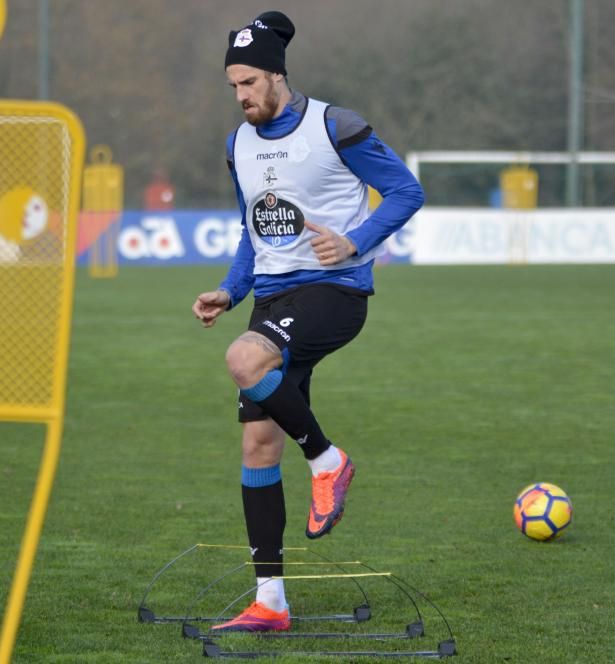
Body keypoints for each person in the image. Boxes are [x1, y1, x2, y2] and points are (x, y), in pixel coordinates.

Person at [192, 10, 424, 632]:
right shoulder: (236, 146)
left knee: (244, 361)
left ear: (276, 74)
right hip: (271, 300)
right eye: (232, 86)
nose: (240, 96)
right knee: (257, 443)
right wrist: (229, 290)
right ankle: (270, 601)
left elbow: (406, 192)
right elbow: (252, 231)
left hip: (333, 292)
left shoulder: (335, 126)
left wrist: (354, 242)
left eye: (248, 83)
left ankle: (327, 460)